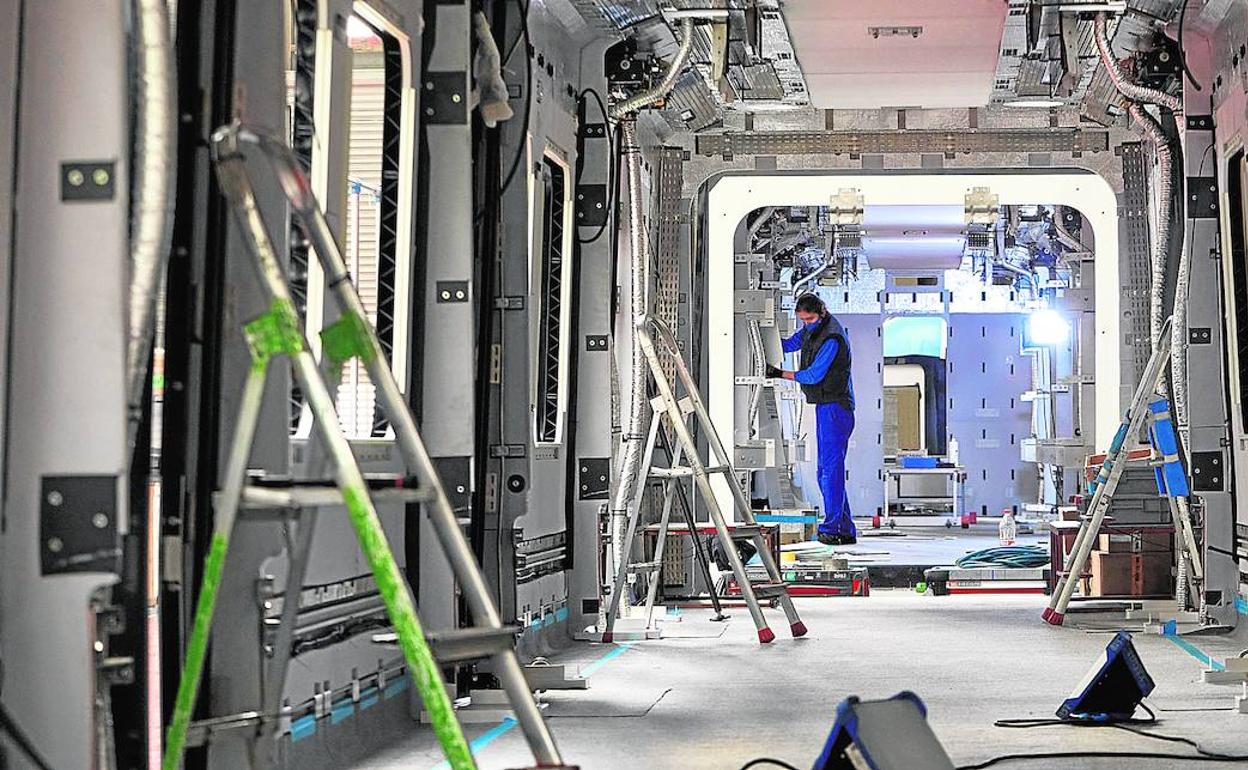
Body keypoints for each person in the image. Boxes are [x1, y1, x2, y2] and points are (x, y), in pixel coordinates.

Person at [766, 293, 857, 545]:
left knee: (829, 471)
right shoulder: (811, 329)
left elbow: (814, 375)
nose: (806, 323)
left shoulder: (832, 338)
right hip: (826, 407)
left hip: (836, 409)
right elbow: (793, 343)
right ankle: (845, 528)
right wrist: (766, 341)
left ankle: (832, 529)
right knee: (825, 471)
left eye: (810, 319)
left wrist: (779, 373)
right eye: (803, 320)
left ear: (822, 312)